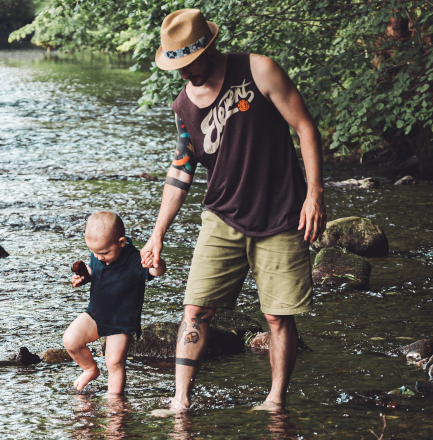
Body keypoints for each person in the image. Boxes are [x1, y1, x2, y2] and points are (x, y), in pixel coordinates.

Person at [140, 9, 327, 415]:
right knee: (195, 310)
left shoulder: (258, 70)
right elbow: (181, 171)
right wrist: (157, 234)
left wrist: (314, 194)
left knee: (277, 317)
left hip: (281, 215)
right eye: (179, 67)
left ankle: (275, 401)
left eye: (191, 63)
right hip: (222, 217)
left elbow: (306, 128)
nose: (187, 74)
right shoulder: (183, 106)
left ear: (209, 48)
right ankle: (180, 401)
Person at [63, 211, 166, 397]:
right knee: (71, 340)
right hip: (95, 314)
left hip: (121, 321)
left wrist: (155, 262)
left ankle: (114, 401)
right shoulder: (99, 252)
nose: (98, 256)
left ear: (121, 242)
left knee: (114, 362)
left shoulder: (135, 259)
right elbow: (94, 269)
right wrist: (84, 276)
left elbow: (156, 273)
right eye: (94, 252)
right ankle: (90, 369)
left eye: (103, 253)